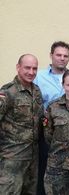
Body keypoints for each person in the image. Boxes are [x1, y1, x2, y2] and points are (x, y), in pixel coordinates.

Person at [34, 41, 69, 195]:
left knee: (66, 178)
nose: (62, 58)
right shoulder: (39, 77)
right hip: (47, 135)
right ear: (51, 56)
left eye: (65, 56)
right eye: (58, 55)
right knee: (46, 175)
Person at [0, 54, 44, 194]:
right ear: (18, 67)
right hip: (12, 158)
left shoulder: (36, 91)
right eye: (27, 68)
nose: (31, 72)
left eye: (34, 68)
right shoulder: (7, 92)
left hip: (32, 157)